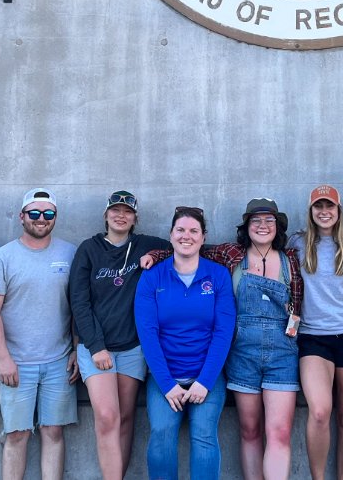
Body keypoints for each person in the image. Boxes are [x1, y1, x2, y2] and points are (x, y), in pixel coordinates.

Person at [148, 197, 304, 480]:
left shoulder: (291, 259)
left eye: (269, 220)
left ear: (278, 226)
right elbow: (189, 250)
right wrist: (156, 256)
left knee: (279, 432)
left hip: (282, 353)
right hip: (242, 353)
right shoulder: (230, 254)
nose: (262, 226)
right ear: (246, 226)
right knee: (249, 430)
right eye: (255, 220)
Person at [68, 190, 171, 480]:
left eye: (127, 211)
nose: (121, 215)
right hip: (96, 348)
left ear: (135, 218)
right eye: (115, 210)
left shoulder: (145, 244)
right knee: (107, 418)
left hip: (132, 348)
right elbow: (79, 301)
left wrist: (156, 255)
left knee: (126, 420)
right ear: (106, 215)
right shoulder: (88, 249)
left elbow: (185, 245)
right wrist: (96, 346)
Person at [0, 188, 80, 480]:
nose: (41, 219)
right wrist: (2, 359)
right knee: (17, 435)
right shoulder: (2, 257)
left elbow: (77, 308)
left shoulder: (70, 253)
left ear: (55, 218)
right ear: (22, 216)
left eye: (48, 213)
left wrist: (76, 348)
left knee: (53, 432)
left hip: (58, 362)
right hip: (16, 363)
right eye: (34, 213)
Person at [134, 206, 237, 480]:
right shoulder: (152, 276)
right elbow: (148, 334)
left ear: (203, 237)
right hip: (164, 376)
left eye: (194, 231)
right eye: (180, 230)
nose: (186, 236)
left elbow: (223, 331)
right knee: (161, 433)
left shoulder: (218, 276)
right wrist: (168, 385)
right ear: (170, 235)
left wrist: (205, 381)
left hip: (208, 376)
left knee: (204, 436)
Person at [289, 185, 343, 480]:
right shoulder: (297, 243)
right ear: (311, 211)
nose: (324, 212)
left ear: (338, 210)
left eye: (330, 206)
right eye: (318, 207)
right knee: (321, 412)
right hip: (312, 337)